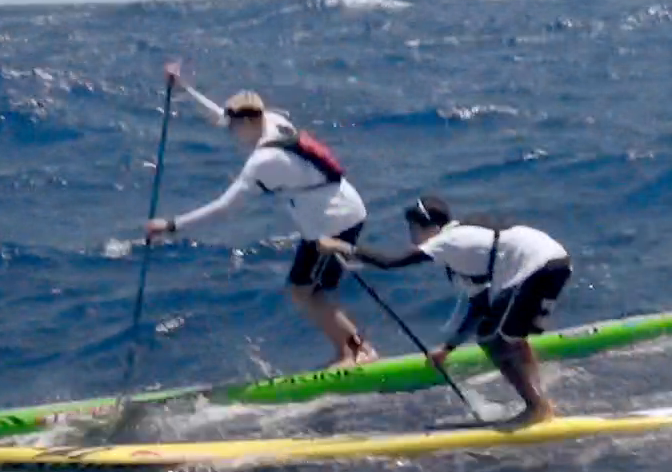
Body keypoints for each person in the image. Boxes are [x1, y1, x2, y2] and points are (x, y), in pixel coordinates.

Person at [144, 62, 378, 368]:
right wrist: (184, 89)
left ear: (247, 121)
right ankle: (350, 350)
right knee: (306, 291)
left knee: (305, 293)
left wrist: (171, 226)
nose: (231, 132)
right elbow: (220, 116)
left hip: (335, 222)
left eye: (234, 127)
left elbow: (225, 208)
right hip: (331, 217)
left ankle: (359, 353)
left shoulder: (263, 161)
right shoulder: (273, 121)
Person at [318, 194, 570, 427]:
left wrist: (340, 246)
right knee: (507, 336)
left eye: (413, 229)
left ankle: (536, 408)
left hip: (536, 264)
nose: (412, 237)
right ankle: (539, 399)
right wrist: (448, 348)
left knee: (494, 339)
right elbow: (480, 308)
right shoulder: (463, 248)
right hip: (552, 260)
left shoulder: (448, 241)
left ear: (427, 226)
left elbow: (390, 262)